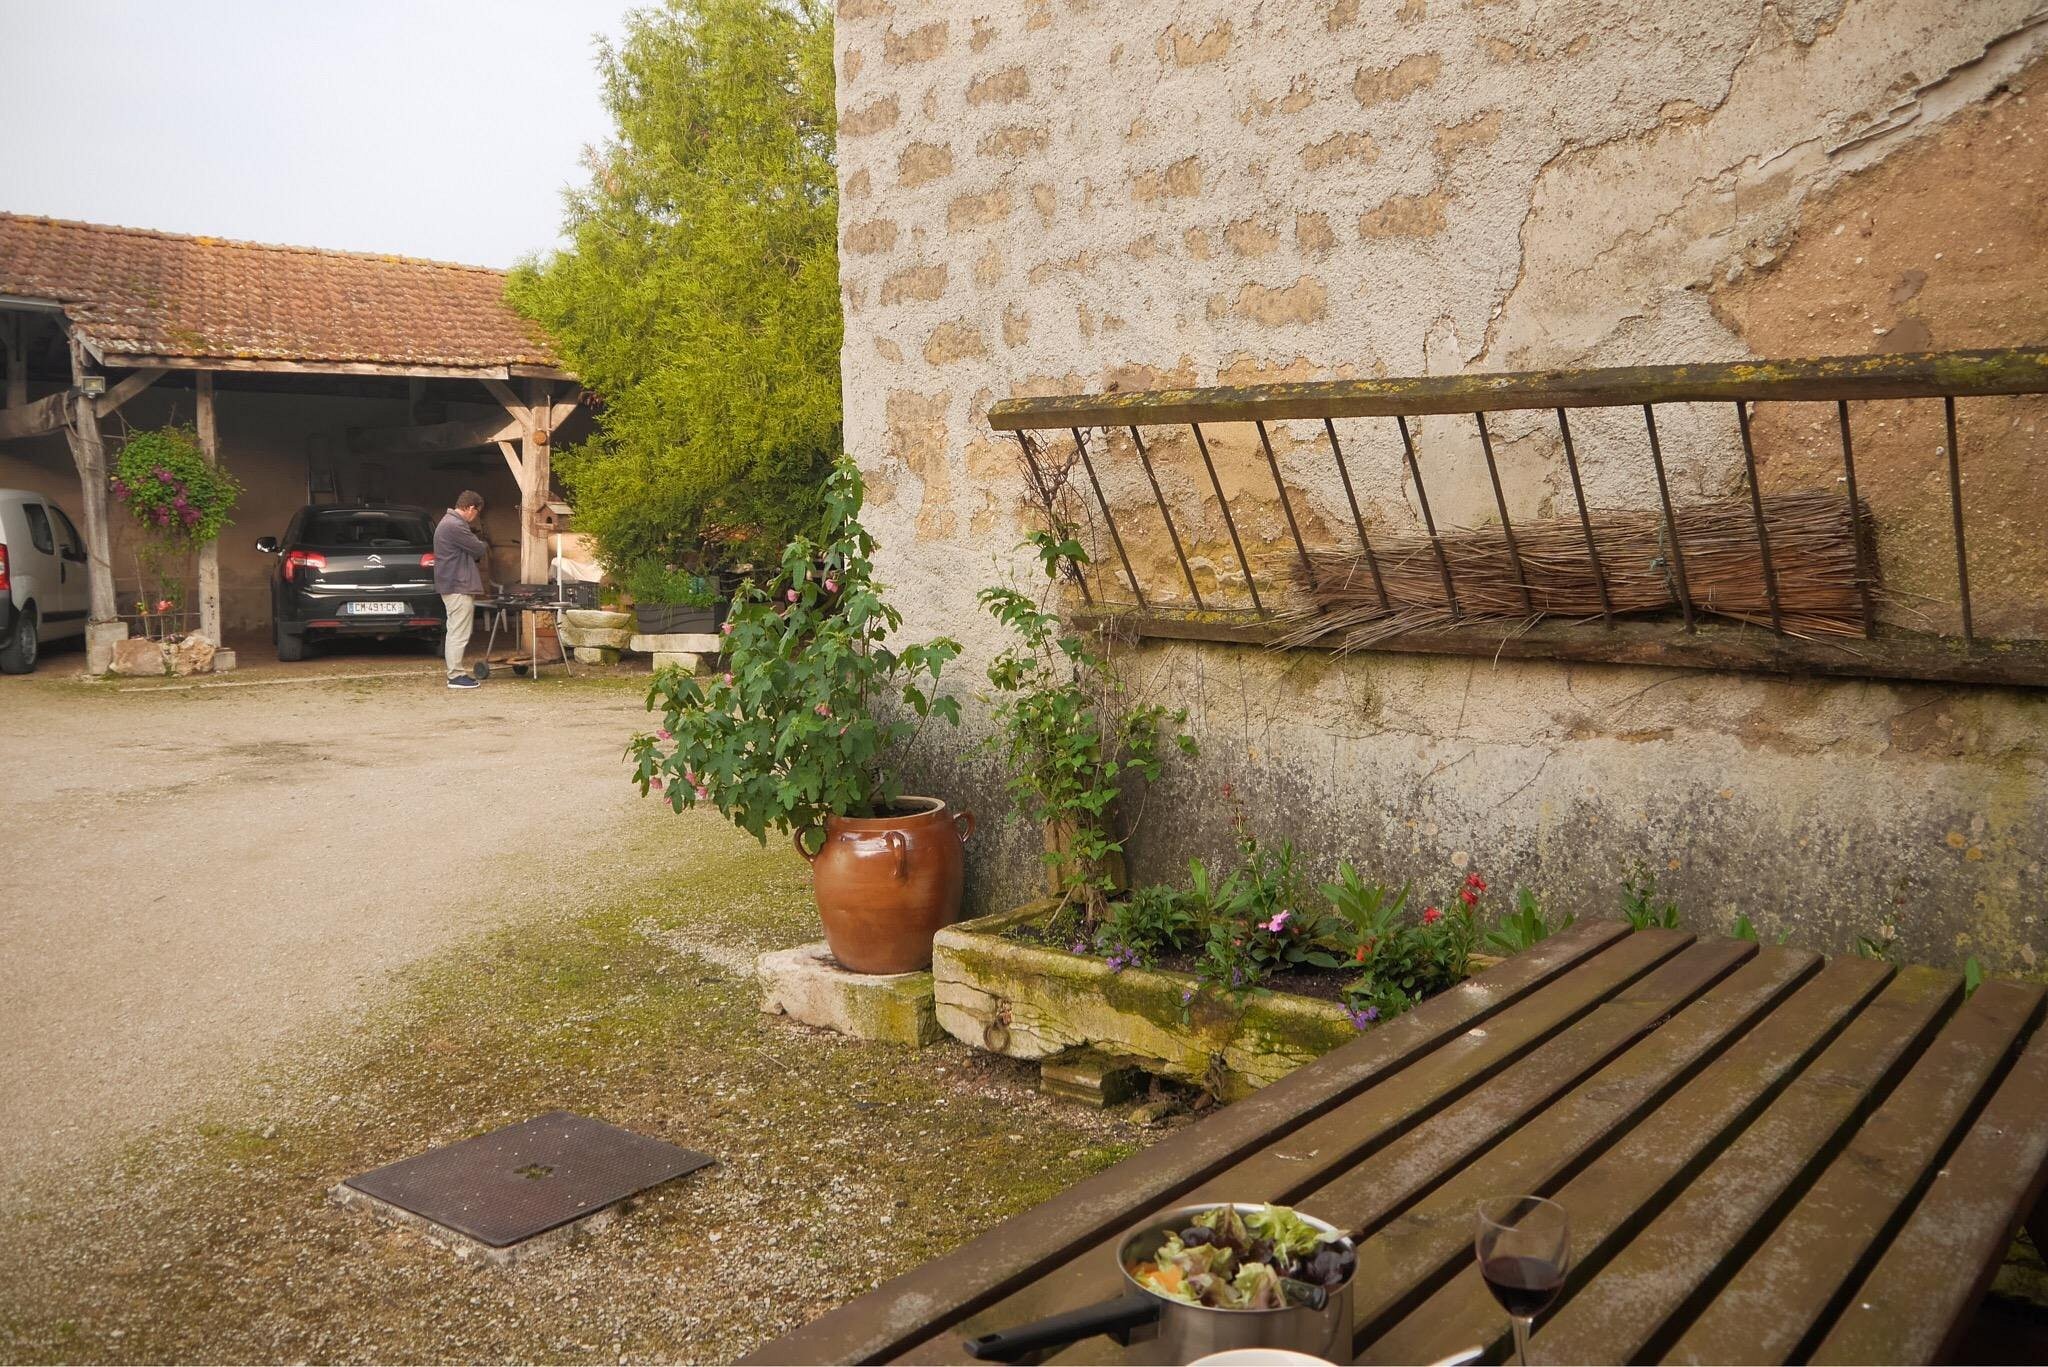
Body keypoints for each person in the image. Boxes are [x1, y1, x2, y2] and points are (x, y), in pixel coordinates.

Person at [433, 491, 489, 689]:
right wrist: (483, 542)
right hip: (457, 585)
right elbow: (478, 549)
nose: (476, 517)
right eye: (477, 513)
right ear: (471, 508)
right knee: (459, 632)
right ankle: (455, 675)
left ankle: (455, 673)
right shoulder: (455, 525)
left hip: (451, 584)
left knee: (455, 630)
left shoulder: (447, 522)